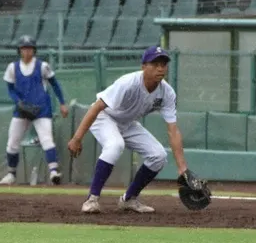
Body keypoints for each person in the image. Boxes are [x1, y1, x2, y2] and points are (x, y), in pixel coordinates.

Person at [67, 46, 188, 214]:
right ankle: (91, 199)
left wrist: (183, 169)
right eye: (155, 64)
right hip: (104, 117)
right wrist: (77, 138)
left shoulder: (167, 92)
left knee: (158, 156)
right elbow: (96, 107)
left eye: (163, 64)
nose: (160, 68)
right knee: (116, 145)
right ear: (143, 66)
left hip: (127, 123)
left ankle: (129, 199)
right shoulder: (128, 83)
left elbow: (173, 130)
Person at [0, 35, 69, 186]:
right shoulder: (13, 67)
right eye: (24, 48)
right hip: (22, 109)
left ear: (34, 50)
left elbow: (55, 84)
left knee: (46, 139)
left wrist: (62, 103)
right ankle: (11, 174)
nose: (27, 51)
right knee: (12, 142)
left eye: (29, 48)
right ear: (19, 51)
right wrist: (18, 101)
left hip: (41, 108)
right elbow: (10, 89)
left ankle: (54, 172)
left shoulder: (42, 66)